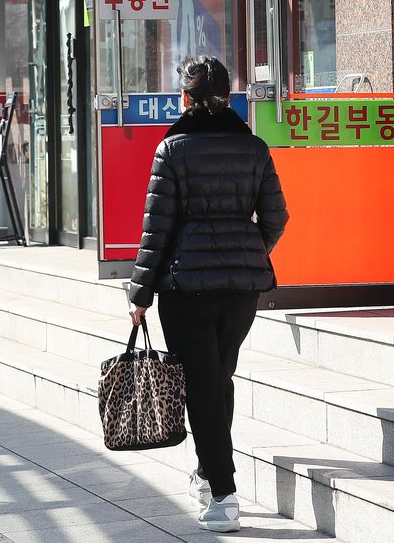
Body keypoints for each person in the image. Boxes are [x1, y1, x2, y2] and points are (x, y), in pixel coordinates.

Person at [127, 55, 288, 533]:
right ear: (229, 97)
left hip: (187, 288)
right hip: (241, 290)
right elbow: (277, 217)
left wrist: (140, 293)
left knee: (202, 385)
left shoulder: (172, 149)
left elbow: (157, 228)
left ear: (185, 98)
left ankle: (223, 494)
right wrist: (248, 251)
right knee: (217, 378)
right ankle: (206, 472)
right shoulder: (254, 147)